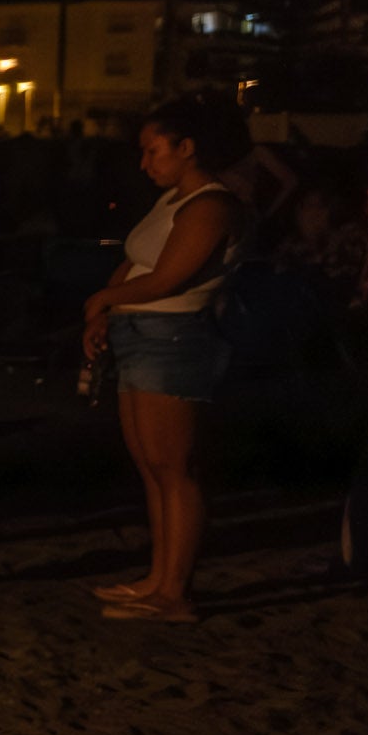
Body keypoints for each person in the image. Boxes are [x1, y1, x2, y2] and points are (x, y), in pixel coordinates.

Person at [77, 95, 248, 622]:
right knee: (153, 469)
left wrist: (104, 301)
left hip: (171, 337)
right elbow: (135, 261)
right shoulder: (175, 200)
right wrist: (105, 311)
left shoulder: (211, 206)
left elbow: (170, 277)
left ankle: (175, 592)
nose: (145, 162)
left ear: (187, 147)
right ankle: (158, 577)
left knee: (174, 468)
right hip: (141, 333)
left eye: (154, 151)